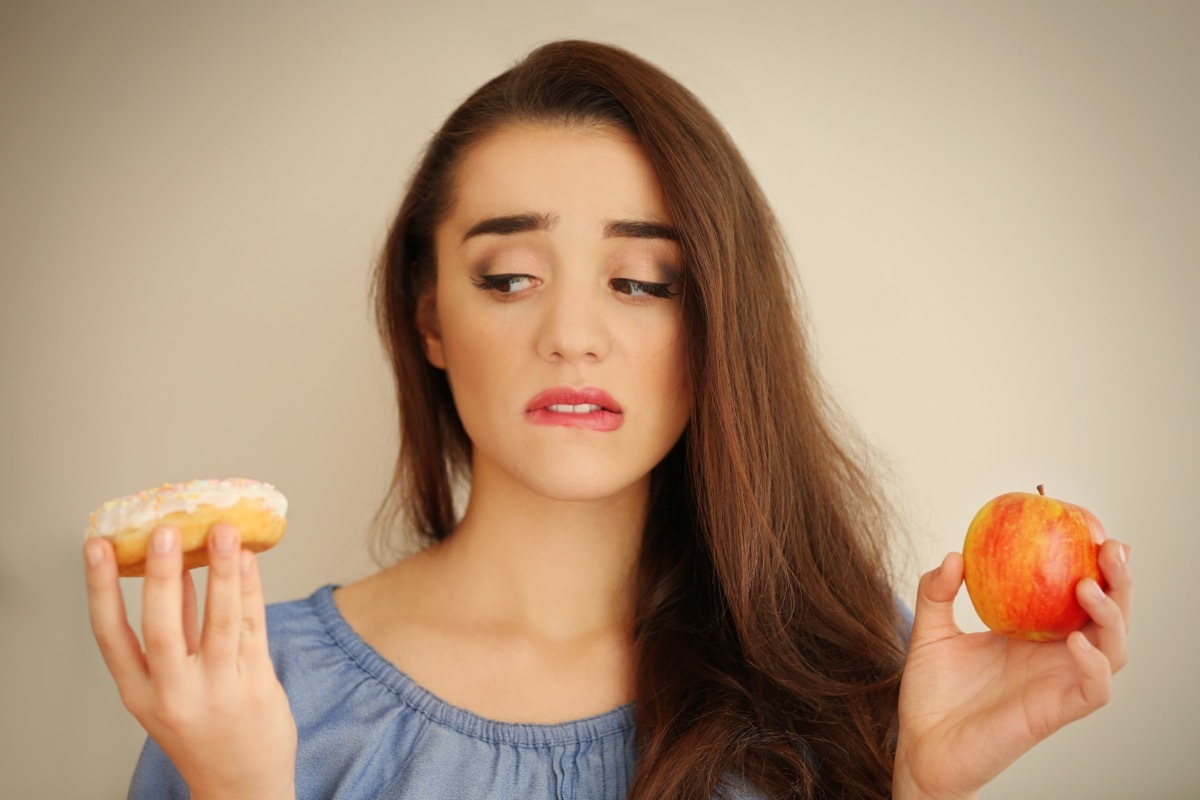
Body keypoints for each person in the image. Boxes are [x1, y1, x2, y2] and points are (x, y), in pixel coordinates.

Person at [83, 40, 1133, 800]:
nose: (574, 334)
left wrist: (923, 789)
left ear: (720, 319)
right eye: (509, 276)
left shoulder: (862, 666)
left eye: (640, 282)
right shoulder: (248, 689)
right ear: (429, 317)